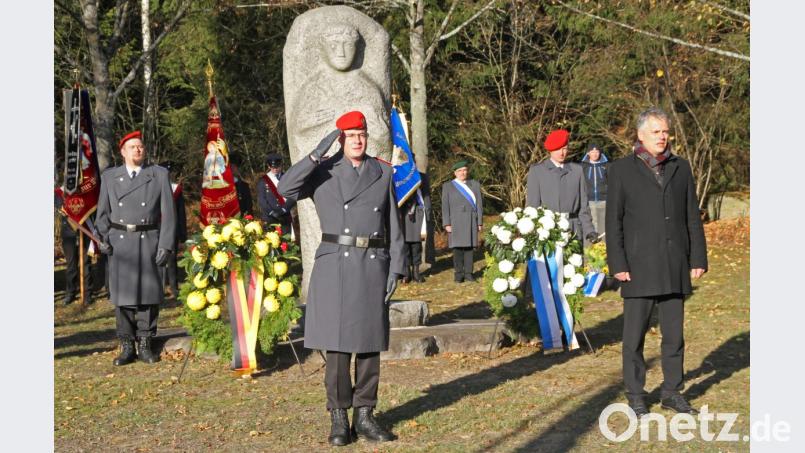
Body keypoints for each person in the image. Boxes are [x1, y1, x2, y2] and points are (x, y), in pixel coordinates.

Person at [278, 111, 404, 446]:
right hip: (336, 265)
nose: (358, 140)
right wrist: (316, 154)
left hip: (372, 264)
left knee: (368, 347)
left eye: (361, 134)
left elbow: (393, 222)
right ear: (340, 139)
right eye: (350, 135)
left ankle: (365, 415)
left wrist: (396, 267)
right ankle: (338, 417)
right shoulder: (323, 171)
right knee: (336, 350)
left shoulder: (383, 171)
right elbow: (285, 187)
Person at [606, 107, 708, 418]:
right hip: (637, 266)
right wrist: (618, 262)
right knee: (634, 336)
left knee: (674, 335)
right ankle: (636, 394)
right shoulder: (622, 170)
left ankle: (671, 392)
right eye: (656, 132)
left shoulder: (681, 167)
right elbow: (614, 221)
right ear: (640, 135)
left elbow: (692, 216)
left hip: (674, 263)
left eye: (665, 132)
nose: (662, 137)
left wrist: (698, 257)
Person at [96, 131, 176, 366]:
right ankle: (126, 344)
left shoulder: (159, 175)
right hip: (120, 242)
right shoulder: (110, 177)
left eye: (140, 146)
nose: (138, 150)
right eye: (132, 147)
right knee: (123, 297)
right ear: (123, 152)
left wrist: (166, 244)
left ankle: (145, 342)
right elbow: (102, 214)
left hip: (148, 239)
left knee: (148, 295)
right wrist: (102, 238)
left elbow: (169, 216)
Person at [526, 129, 597, 246]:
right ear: (550, 150)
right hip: (547, 232)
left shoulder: (577, 170)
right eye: (558, 149)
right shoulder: (537, 171)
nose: (562, 153)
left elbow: (583, 206)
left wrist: (589, 230)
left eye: (564, 148)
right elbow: (532, 207)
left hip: (573, 231)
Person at [441, 160, 483, 283]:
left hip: (470, 220)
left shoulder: (474, 184)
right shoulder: (447, 186)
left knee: (469, 248)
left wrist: (479, 222)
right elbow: (445, 206)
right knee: (457, 249)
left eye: (464, 170)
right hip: (455, 221)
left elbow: (479, 205)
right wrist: (446, 223)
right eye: (459, 171)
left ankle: (469, 273)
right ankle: (458, 274)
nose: (462, 173)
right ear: (455, 173)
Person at [55, 188, 92, 305]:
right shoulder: (58, 192)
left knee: (85, 262)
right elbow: (59, 208)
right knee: (71, 264)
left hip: (84, 229)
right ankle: (70, 292)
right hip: (68, 231)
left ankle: (87, 293)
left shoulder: (85, 189)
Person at [158, 161, 187, 299]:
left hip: (172, 228)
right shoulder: (154, 187)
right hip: (157, 229)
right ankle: (160, 288)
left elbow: (181, 213)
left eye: (169, 172)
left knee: (171, 259)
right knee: (158, 259)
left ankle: (174, 288)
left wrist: (182, 233)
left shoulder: (176, 189)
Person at [401, 172, 432, 283]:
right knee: (405, 246)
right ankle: (406, 273)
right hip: (402, 213)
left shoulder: (421, 176)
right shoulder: (399, 174)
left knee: (416, 245)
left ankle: (416, 273)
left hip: (418, 212)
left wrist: (428, 213)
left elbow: (426, 195)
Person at [257, 153, 295, 235]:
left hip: (285, 216)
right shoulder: (263, 181)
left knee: (287, 244)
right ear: (269, 166)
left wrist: (283, 210)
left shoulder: (287, 178)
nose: (275, 169)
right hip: (270, 217)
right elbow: (262, 200)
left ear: (281, 165)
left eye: (277, 166)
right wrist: (271, 212)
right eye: (272, 167)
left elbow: (293, 195)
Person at [580, 143, 609, 235]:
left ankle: (604, 247)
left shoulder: (607, 166)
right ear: (588, 153)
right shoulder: (582, 167)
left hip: (604, 201)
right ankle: (593, 247)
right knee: (592, 226)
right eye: (592, 152)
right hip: (589, 201)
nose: (595, 154)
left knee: (604, 226)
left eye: (597, 152)